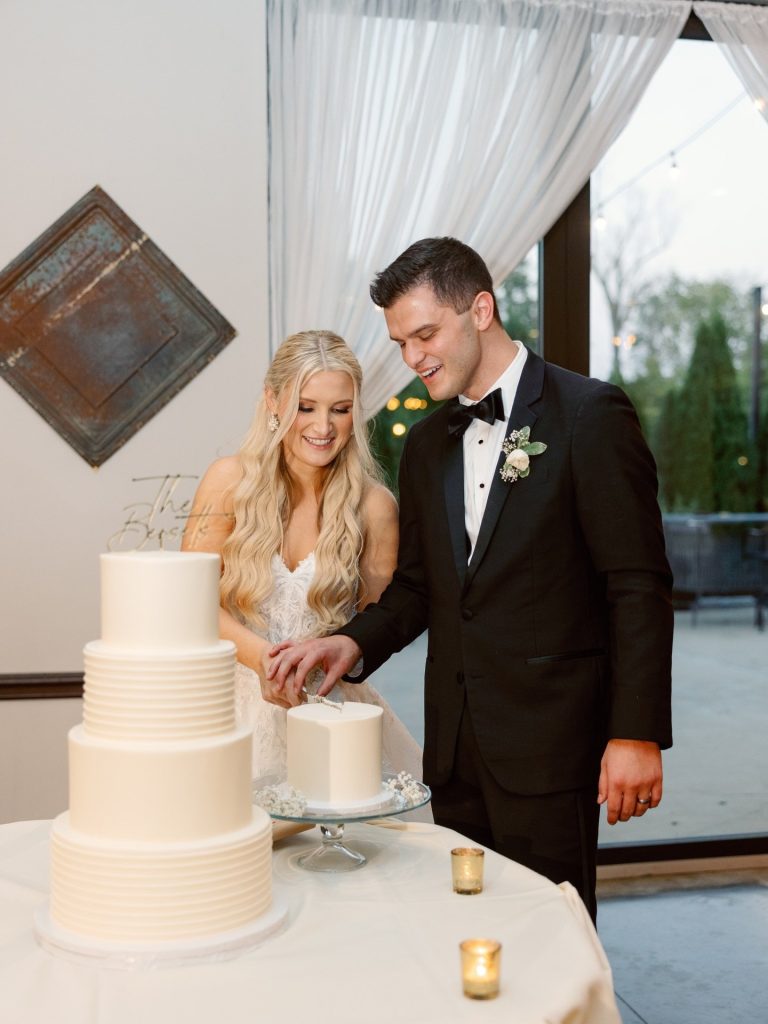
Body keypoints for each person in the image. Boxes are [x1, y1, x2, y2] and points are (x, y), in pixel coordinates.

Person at [263, 238, 673, 920]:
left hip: (551, 746)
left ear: (480, 310)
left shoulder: (589, 415)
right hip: (453, 753)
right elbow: (419, 589)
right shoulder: (425, 445)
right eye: (401, 343)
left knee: (550, 931)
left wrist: (636, 733)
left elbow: (637, 587)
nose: (413, 358)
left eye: (425, 335)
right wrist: (349, 643)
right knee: (463, 928)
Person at [181, 329, 423, 786]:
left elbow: (378, 624)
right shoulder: (227, 481)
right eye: (306, 407)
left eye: (341, 409)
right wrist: (264, 660)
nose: (323, 427)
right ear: (273, 401)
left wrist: (324, 657)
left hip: (330, 716)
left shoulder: (374, 507)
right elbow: (189, 601)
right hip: (227, 713)